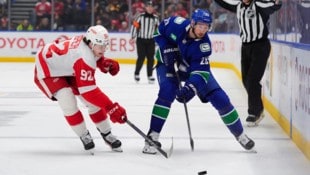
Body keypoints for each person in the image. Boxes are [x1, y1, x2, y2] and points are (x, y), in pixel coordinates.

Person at [142, 9, 255, 154]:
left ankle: (240, 135)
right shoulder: (176, 24)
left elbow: (200, 73)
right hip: (167, 65)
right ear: (193, 23)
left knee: (220, 99)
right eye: (200, 26)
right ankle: (152, 136)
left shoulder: (204, 46)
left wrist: (191, 88)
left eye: (206, 26)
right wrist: (165, 47)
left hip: (191, 70)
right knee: (167, 92)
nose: (203, 30)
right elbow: (158, 32)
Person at [34, 25, 127, 152]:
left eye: (105, 45)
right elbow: (89, 92)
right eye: (101, 46)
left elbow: (94, 56)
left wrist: (103, 62)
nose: (103, 49)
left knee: (93, 103)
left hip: (66, 66)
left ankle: (106, 133)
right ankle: (83, 134)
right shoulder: (84, 56)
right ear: (90, 43)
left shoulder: (89, 45)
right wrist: (111, 107)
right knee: (68, 100)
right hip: (48, 70)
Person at [214, 0, 282, 126]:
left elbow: (274, 6)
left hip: (260, 46)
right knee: (246, 80)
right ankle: (259, 108)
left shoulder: (259, 5)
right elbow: (224, 3)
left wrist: (277, 3)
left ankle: (254, 112)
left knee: (252, 80)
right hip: (245, 47)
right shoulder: (238, 5)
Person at [130, 1, 159, 84]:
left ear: (153, 8)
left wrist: (158, 40)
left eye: (151, 7)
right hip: (141, 40)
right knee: (141, 57)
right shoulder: (140, 16)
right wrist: (133, 36)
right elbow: (135, 26)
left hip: (151, 40)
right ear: (146, 8)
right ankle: (137, 73)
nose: (150, 8)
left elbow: (158, 30)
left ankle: (150, 75)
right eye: (148, 6)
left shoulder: (156, 18)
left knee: (151, 58)